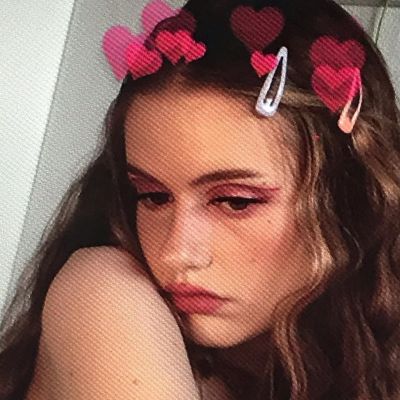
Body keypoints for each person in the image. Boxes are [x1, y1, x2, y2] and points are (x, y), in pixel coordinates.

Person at [1, 0, 400, 399]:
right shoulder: (106, 291)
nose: (176, 252)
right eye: (153, 196)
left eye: (235, 202)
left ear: (348, 198)